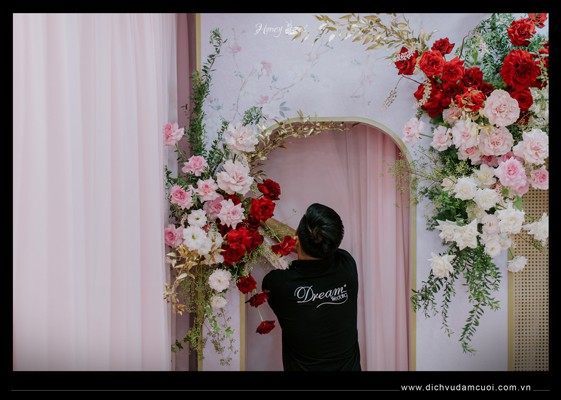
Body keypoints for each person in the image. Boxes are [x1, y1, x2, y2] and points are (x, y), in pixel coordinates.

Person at [262, 203, 361, 371]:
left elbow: (302, 244)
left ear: (297, 238)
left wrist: (258, 214)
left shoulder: (278, 284)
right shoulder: (347, 265)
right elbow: (315, 246)